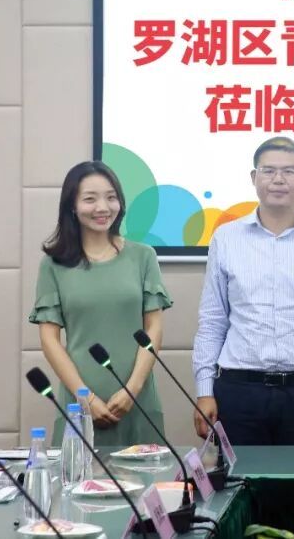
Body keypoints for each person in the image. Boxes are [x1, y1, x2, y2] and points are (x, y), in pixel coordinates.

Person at [193, 137, 294, 445]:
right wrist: (204, 391)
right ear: (253, 177)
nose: (278, 179)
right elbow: (213, 321)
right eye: (268, 171)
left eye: (289, 171)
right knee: (240, 477)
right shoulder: (226, 238)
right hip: (239, 392)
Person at [30, 161, 173, 445]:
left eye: (111, 197)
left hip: (138, 398)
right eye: (90, 199)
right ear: (72, 205)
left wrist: (132, 389)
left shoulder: (143, 256)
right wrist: (85, 397)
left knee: (145, 473)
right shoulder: (53, 265)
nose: (103, 207)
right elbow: (49, 340)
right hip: (79, 402)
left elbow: (154, 328)